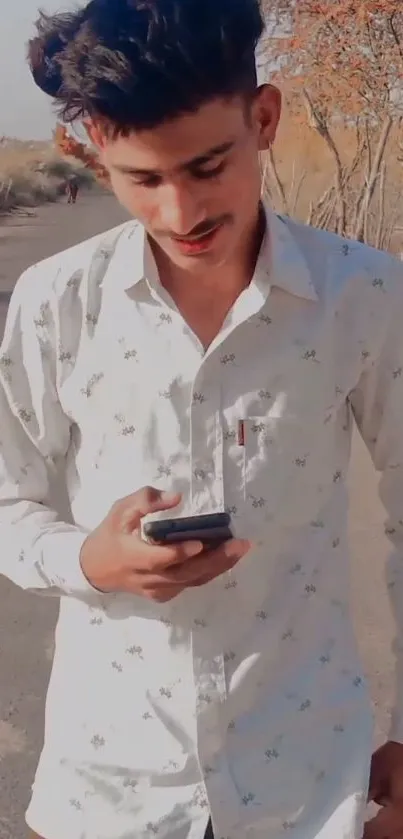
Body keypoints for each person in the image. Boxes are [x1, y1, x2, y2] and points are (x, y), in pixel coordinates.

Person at [1, 1, 403, 837]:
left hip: (308, 779)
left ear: (263, 118)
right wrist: (89, 558)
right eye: (142, 180)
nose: (183, 213)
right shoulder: (56, 304)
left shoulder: (363, 294)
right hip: (110, 787)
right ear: (92, 154)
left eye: (208, 165)